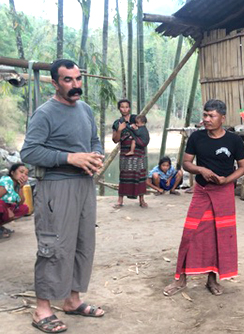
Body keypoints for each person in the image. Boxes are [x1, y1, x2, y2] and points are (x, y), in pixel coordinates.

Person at [21, 59, 105, 333]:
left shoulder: (86, 110)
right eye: (68, 80)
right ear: (55, 83)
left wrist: (96, 155)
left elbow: (94, 139)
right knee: (54, 246)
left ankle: (72, 299)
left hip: (84, 186)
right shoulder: (45, 114)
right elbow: (30, 153)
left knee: (83, 243)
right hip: (56, 188)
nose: (75, 85)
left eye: (78, 79)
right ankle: (42, 309)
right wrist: (70, 157)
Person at [163, 99, 244, 297]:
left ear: (223, 118)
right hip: (201, 190)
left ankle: (212, 279)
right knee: (190, 233)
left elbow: (243, 167)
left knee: (219, 235)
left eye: (212, 116)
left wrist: (227, 179)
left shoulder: (234, 140)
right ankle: (180, 279)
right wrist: (201, 169)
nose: (207, 119)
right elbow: (186, 163)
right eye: (205, 115)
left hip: (224, 192)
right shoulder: (196, 138)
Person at [112, 99, 149, 209]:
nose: (124, 109)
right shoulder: (117, 123)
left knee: (140, 174)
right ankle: (120, 200)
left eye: (126, 107)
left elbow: (143, 132)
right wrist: (119, 130)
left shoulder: (136, 119)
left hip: (138, 151)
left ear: (129, 108)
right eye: (122, 107)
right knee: (124, 175)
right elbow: (115, 140)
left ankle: (142, 199)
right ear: (119, 109)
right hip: (125, 151)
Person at [0, 163, 30, 238]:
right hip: (2, 205)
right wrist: (7, 209)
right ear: (12, 173)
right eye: (21, 172)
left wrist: (21, 187)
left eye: (26, 174)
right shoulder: (7, 180)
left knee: (23, 208)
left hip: (5, 206)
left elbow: (20, 202)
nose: (23, 175)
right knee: (1, 207)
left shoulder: (16, 184)